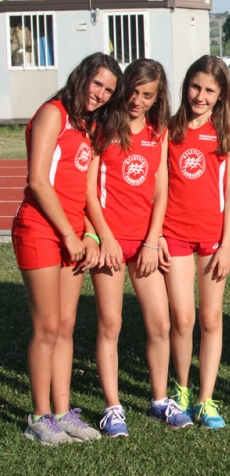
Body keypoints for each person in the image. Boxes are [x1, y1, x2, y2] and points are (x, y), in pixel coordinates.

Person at [13, 53, 125, 445]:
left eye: (108, 90)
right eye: (97, 84)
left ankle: (62, 413)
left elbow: (86, 192)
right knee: (46, 327)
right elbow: (38, 182)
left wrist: (91, 236)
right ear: (81, 77)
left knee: (65, 326)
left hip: (73, 236)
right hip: (41, 230)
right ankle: (38, 416)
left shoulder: (90, 125)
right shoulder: (53, 114)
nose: (100, 94)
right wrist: (69, 235)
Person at [87, 58, 190, 437]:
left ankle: (160, 399)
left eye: (147, 95)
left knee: (160, 324)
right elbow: (88, 190)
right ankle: (113, 407)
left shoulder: (157, 131)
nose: (137, 101)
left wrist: (151, 240)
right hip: (111, 245)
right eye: (133, 91)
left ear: (157, 98)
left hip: (143, 244)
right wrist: (105, 237)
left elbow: (161, 191)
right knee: (110, 323)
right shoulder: (103, 126)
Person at [161, 55, 230, 429]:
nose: (200, 96)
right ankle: (182, 390)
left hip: (212, 238)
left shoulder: (226, 132)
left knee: (210, 318)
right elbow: (159, 187)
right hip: (174, 234)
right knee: (183, 317)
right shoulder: (169, 129)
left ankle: (206, 399)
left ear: (221, 95)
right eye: (195, 86)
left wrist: (226, 244)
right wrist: (158, 235)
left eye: (209, 90)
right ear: (185, 85)